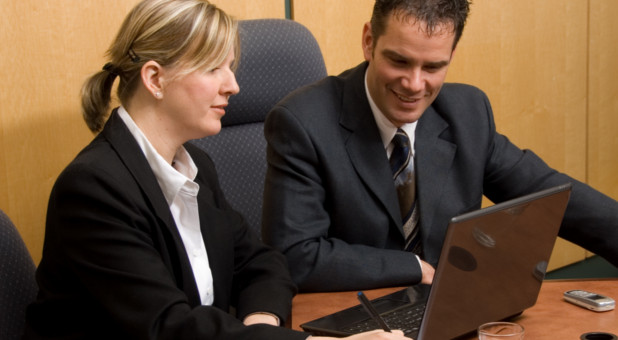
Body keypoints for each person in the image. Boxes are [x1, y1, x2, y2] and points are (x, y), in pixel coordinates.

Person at [22, 1, 411, 339]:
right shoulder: (93, 188)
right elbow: (168, 327)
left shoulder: (196, 166)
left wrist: (262, 320)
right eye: (214, 69)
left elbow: (262, 261)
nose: (234, 86)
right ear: (155, 79)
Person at [262, 0, 618, 292]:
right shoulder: (302, 122)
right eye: (399, 61)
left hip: (448, 311)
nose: (415, 84)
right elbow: (295, 256)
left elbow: (549, 193)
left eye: (433, 66)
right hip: (354, 311)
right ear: (369, 40)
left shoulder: (467, 111)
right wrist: (413, 268)